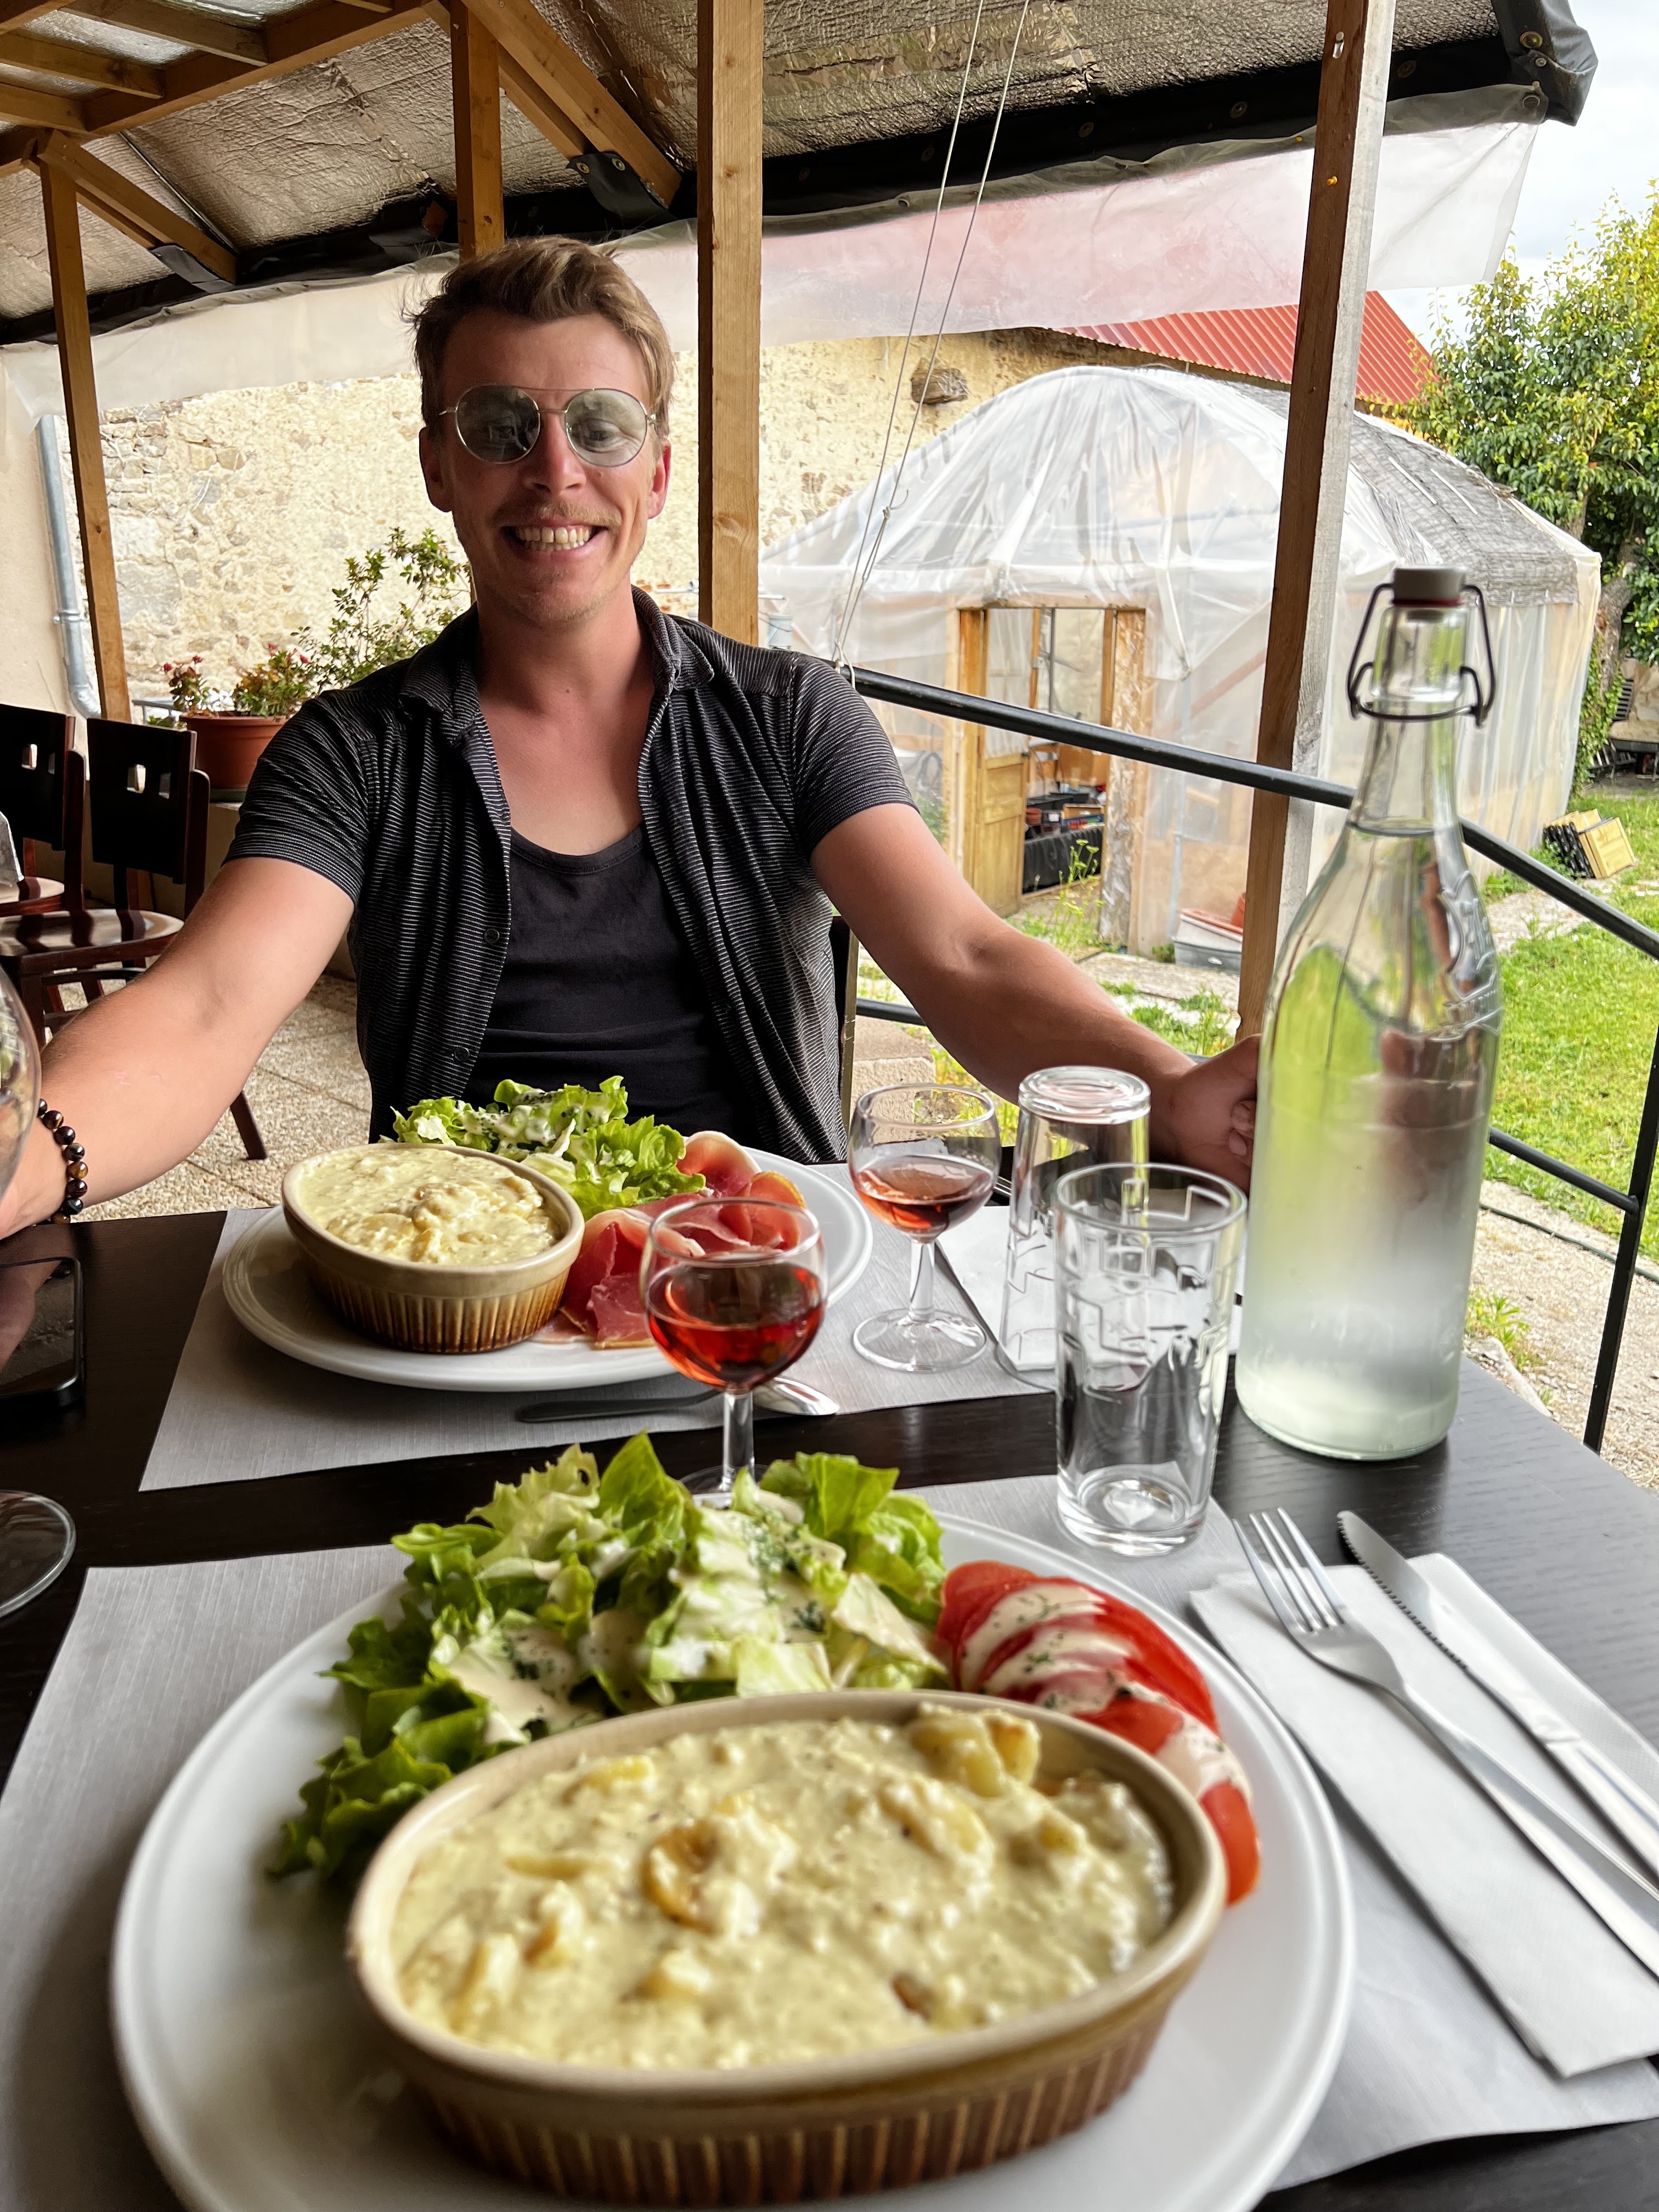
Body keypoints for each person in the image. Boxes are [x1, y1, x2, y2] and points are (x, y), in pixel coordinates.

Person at [0, 238, 1256, 1237]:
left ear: (655, 470)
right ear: (439, 466)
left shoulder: (788, 717)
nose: (554, 470)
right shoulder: (354, 752)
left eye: (600, 425)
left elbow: (966, 958)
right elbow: (208, 1006)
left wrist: (1171, 1091)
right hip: (459, 1282)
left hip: (751, 1273)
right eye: (500, 426)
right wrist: (26, 1158)